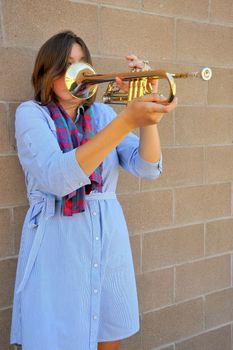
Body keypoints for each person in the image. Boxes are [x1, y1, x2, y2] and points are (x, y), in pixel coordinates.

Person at [10, 30, 177, 350]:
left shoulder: (102, 114)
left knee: (107, 328)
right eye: (67, 65)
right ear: (47, 73)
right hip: (58, 241)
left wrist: (148, 115)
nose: (78, 72)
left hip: (107, 236)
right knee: (57, 334)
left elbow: (147, 168)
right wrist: (127, 120)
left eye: (83, 63)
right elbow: (57, 178)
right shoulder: (32, 114)